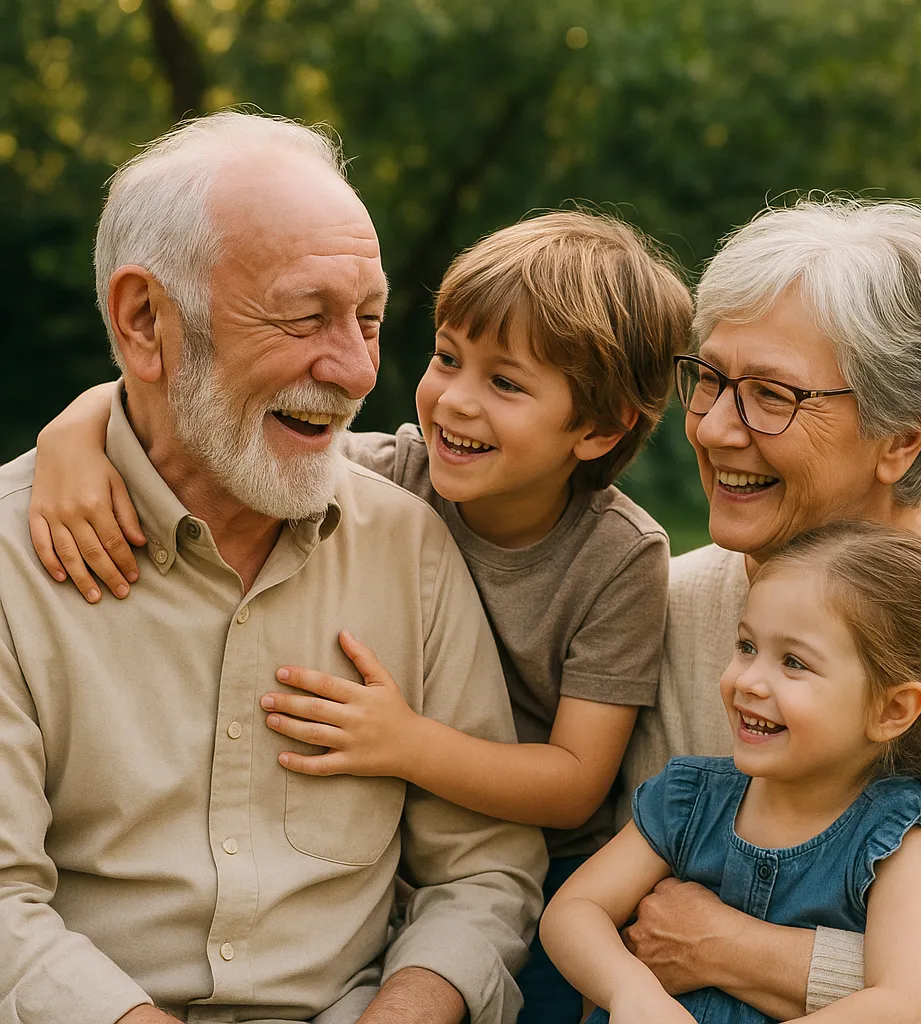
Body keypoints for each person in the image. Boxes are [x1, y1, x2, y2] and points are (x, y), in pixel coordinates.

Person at [26, 211, 693, 1023]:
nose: (455, 401)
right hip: (387, 851)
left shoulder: (617, 559)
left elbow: (574, 784)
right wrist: (76, 428)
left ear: (599, 429)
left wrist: (407, 743)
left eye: (506, 383)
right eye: (448, 358)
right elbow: (212, 420)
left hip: (551, 875)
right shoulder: (384, 474)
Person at [0, 110, 549, 1024]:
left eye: (369, 320)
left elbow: (483, 870)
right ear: (145, 321)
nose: (355, 369)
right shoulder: (13, 562)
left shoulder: (409, 545)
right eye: (305, 317)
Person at [616, 199, 921, 1021]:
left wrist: (728, 947)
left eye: (772, 395)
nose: (716, 429)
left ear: (902, 439)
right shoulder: (679, 599)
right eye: (712, 380)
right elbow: (639, 913)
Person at [542, 522, 921, 1024]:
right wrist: (632, 992)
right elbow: (573, 911)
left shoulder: (896, 841)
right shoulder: (690, 799)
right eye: (746, 647)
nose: (747, 681)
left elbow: (912, 1002)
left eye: (793, 662)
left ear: (891, 711)